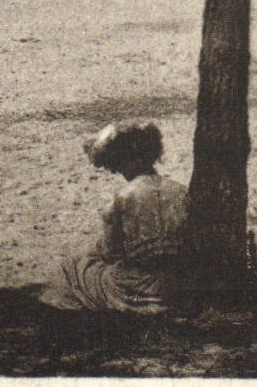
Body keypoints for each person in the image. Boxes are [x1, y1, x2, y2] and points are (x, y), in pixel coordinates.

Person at [45, 122, 188, 314]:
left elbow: (111, 251)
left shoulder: (124, 197)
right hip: (179, 283)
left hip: (138, 287)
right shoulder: (181, 191)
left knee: (72, 268)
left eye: (118, 164)